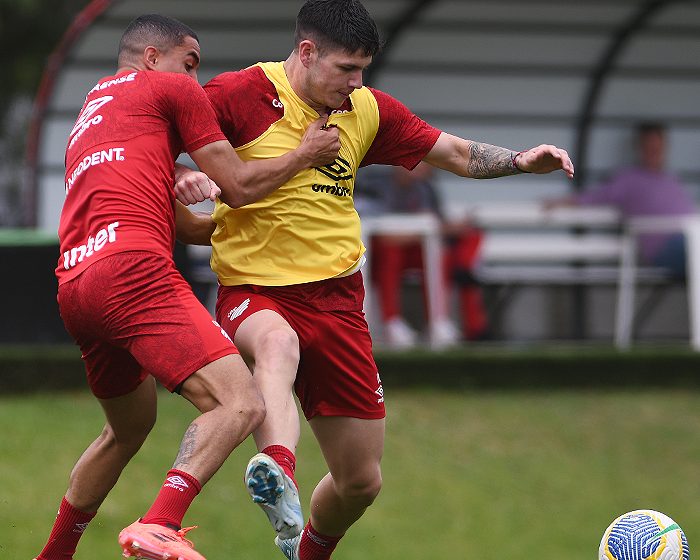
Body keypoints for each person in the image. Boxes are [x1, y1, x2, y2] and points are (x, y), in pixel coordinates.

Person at [176, 1, 574, 558]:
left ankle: (305, 547)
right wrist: (186, 180)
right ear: (307, 52)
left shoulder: (366, 110)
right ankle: (277, 471)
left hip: (338, 301)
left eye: (363, 69)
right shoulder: (236, 94)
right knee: (276, 344)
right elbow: (160, 148)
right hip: (255, 290)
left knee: (361, 481)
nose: (356, 82)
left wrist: (520, 160)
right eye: (346, 69)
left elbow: (454, 153)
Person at [34, 14, 340, 560]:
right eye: (190, 64)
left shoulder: (93, 113)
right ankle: (160, 523)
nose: (194, 81)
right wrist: (305, 156)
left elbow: (194, 226)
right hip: (133, 272)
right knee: (240, 403)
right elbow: (241, 185)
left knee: (127, 430)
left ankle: (53, 554)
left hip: (76, 281)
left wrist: (222, 208)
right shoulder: (171, 88)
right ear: (153, 58)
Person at [356, 162, 490, 347]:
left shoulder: (425, 188)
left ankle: (438, 320)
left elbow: (436, 225)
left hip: (415, 250)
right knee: (390, 253)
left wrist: (441, 229)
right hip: (376, 255)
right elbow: (374, 229)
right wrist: (423, 231)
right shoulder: (375, 184)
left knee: (440, 256)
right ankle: (391, 322)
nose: (425, 168)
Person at [545, 122, 695, 277]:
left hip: (690, 238)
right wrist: (561, 202)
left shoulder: (671, 178)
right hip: (665, 247)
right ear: (639, 148)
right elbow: (595, 197)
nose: (654, 152)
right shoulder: (629, 179)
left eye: (657, 148)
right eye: (649, 148)